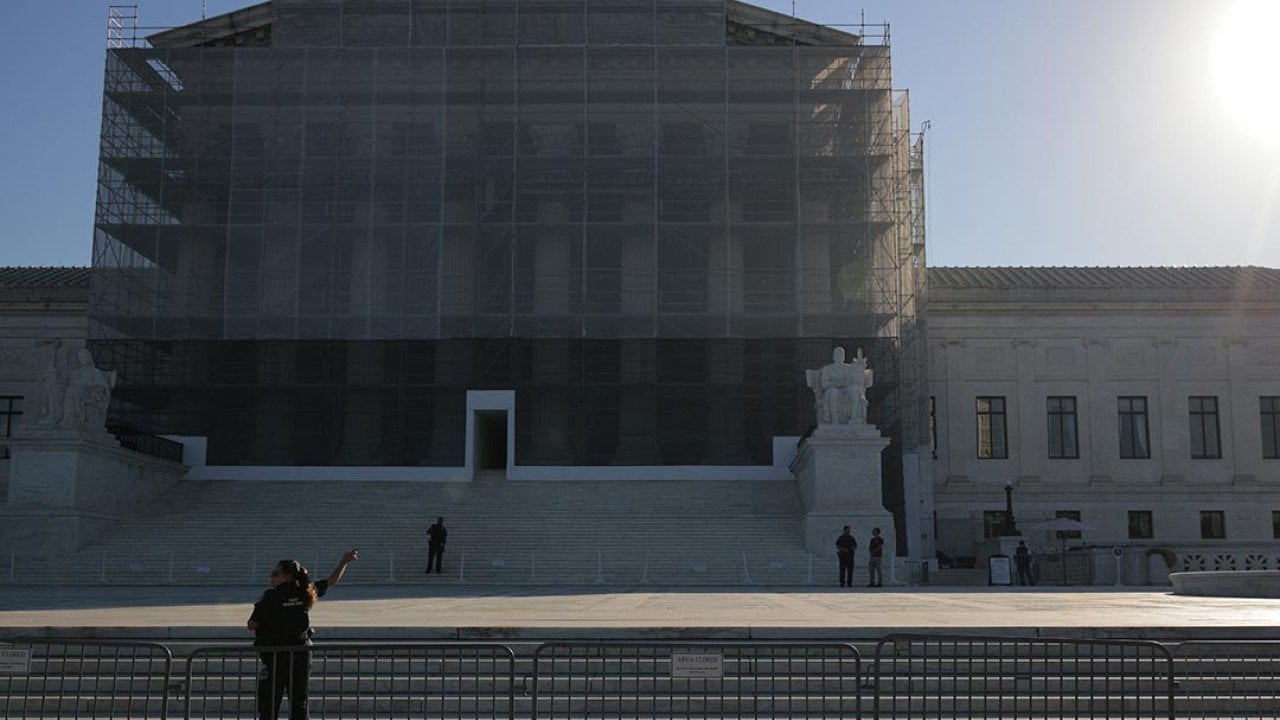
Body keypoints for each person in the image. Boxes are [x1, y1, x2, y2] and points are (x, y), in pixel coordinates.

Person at [248, 548, 359, 720]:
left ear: (287, 576)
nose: (272, 576)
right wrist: (344, 562)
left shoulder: (270, 596)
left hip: (276, 656)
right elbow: (330, 582)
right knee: (299, 703)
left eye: (275, 573)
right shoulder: (306, 592)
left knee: (269, 704)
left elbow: (252, 624)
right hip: (301, 655)